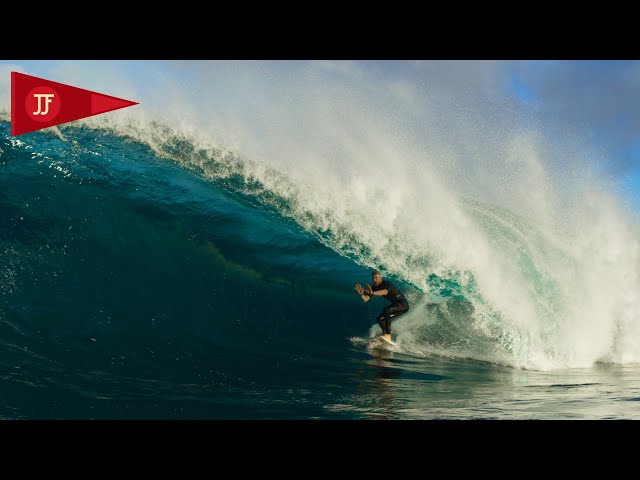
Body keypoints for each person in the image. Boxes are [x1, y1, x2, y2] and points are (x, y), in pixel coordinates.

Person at [354, 270, 409, 341]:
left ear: (381, 278)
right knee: (379, 319)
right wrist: (361, 294)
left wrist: (373, 293)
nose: (374, 280)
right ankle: (385, 336)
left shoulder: (388, 284)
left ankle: (388, 335)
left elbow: (385, 292)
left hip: (403, 305)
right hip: (396, 306)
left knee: (387, 310)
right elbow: (366, 299)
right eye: (373, 278)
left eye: (376, 278)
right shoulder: (374, 288)